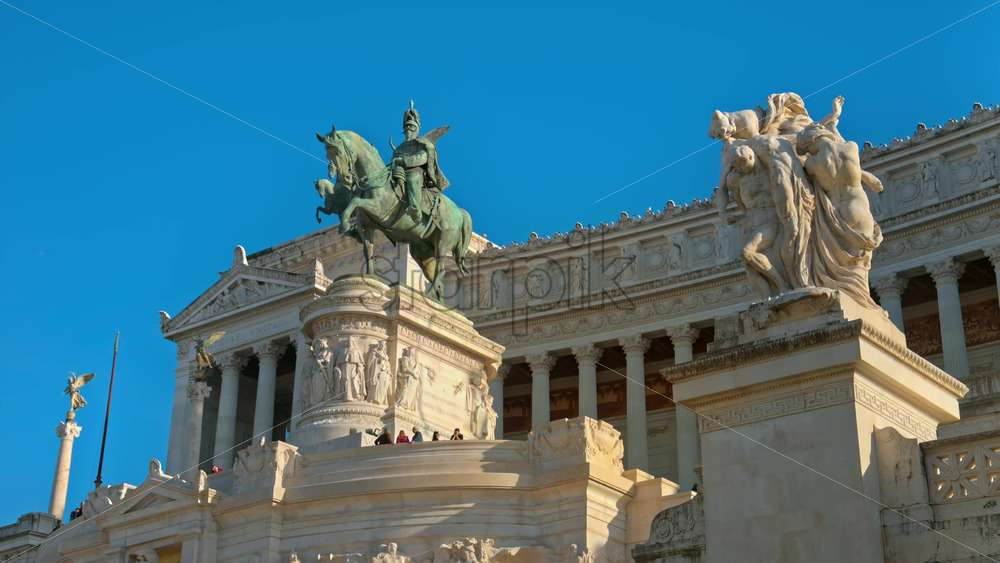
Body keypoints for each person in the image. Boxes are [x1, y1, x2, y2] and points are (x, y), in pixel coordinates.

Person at [389, 101, 449, 220]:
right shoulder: (400, 147)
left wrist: (404, 161)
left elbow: (422, 157)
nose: (408, 129)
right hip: (398, 170)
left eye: (411, 127)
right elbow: (393, 160)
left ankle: (415, 208)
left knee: (413, 178)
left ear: (416, 129)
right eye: (406, 127)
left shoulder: (421, 143)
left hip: (416, 171)